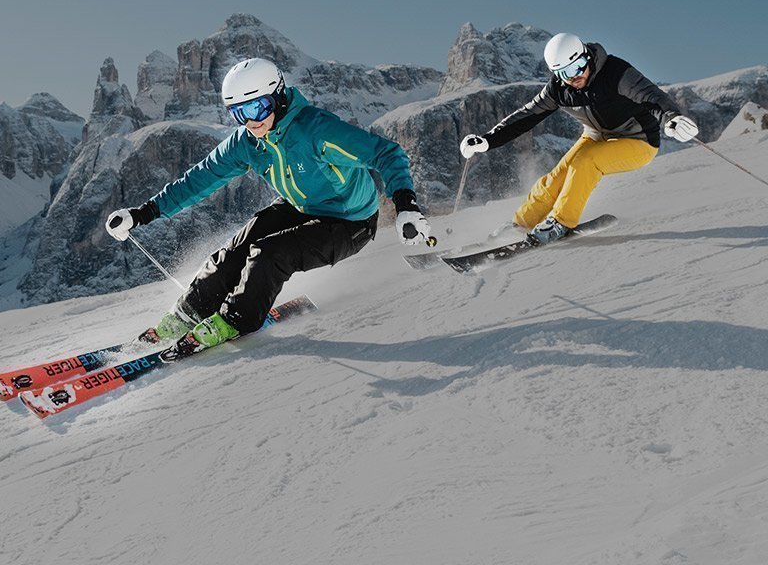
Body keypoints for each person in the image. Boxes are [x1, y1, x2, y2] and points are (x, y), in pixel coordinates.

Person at [105, 57, 431, 354]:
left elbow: (387, 154)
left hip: (350, 221)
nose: (252, 122)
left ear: (277, 96)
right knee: (235, 251)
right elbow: (200, 178)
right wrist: (142, 213)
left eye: (258, 108)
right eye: (240, 113)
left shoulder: (315, 130)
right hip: (300, 205)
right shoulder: (247, 143)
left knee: (271, 253)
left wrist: (406, 205)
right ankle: (187, 313)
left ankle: (236, 320)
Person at [459, 32, 699, 243]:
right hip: (596, 136)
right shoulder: (559, 89)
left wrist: (671, 118)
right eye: (564, 73)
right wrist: (488, 140)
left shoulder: (615, 72)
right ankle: (520, 225)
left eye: (577, 67)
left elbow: (650, 94)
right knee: (556, 177)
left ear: (586, 56)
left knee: (585, 163)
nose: (574, 77)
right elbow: (527, 115)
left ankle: (561, 222)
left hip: (638, 140)